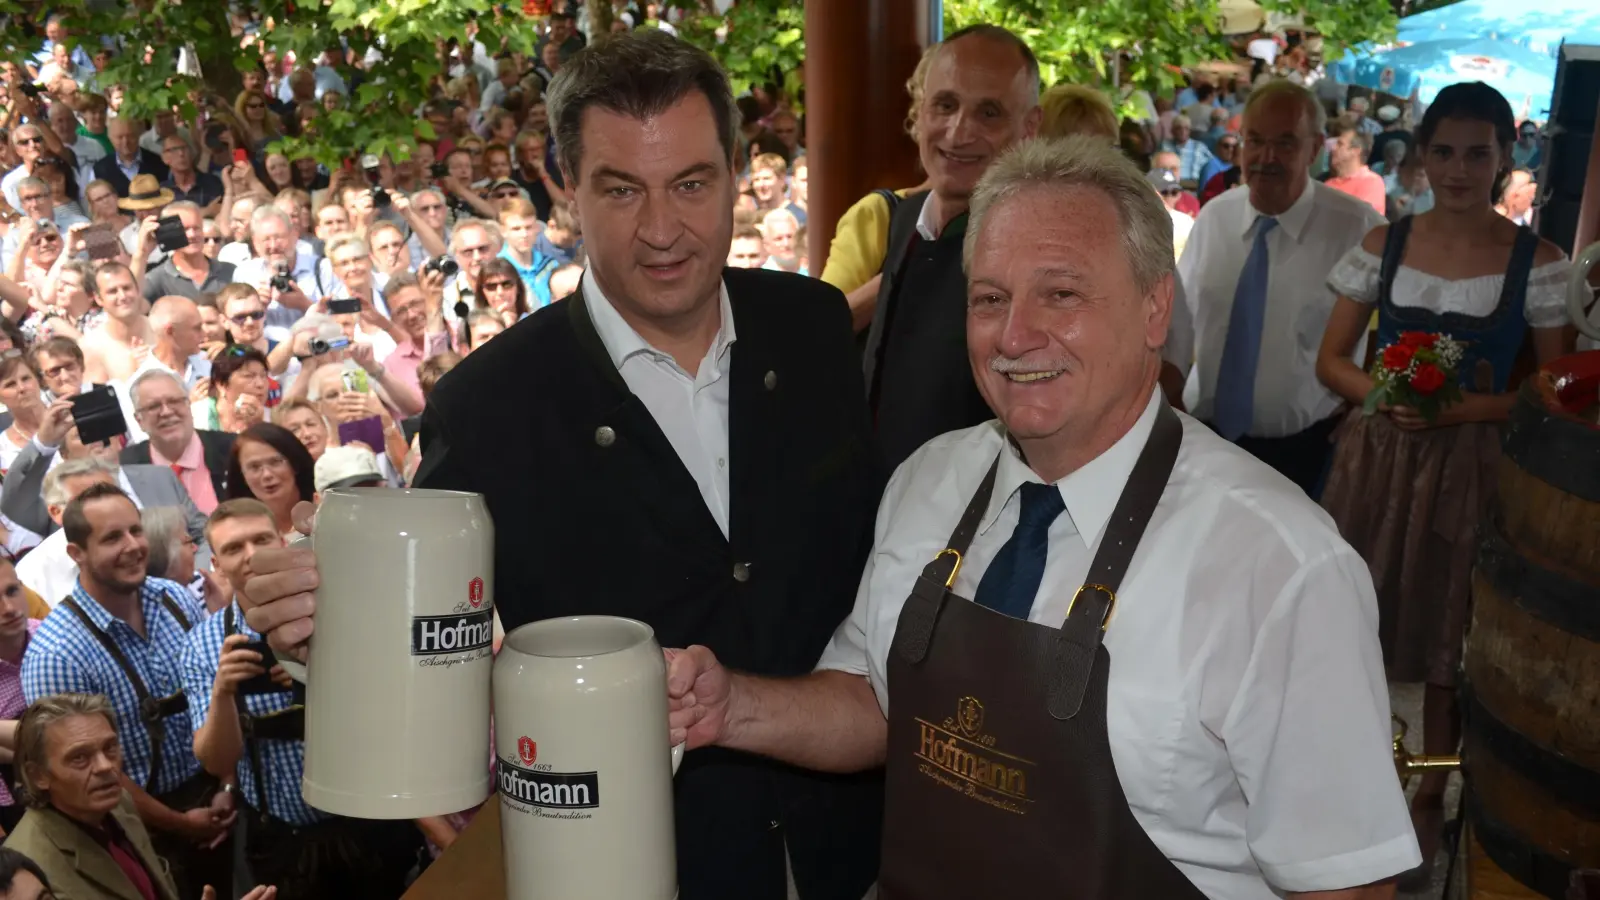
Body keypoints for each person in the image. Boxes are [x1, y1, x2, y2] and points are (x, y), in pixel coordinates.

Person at [667, 135, 1419, 899]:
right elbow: (875, 698)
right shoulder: (930, 480)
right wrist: (732, 709)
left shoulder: (1279, 566)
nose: (1014, 335)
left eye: (1061, 293)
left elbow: (1345, 887)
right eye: (990, 298)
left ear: (1156, 308)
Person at [242, 30, 885, 900]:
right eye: (622, 190)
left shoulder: (812, 329)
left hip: (861, 851)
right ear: (569, 192)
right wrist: (324, 632)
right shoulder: (489, 404)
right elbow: (427, 660)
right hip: (635, 870)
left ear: (737, 173)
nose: (662, 230)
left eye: (691, 184)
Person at [1315, 81, 1575, 882]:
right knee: (1351, 620)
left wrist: (1458, 409)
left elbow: (1554, 391)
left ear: (1506, 157)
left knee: (1444, 637)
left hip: (1475, 465)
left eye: (1478, 153)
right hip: (1378, 461)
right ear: (1422, 155)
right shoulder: (1381, 245)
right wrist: (1391, 397)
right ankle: (1338, 785)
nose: (1460, 169)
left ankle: (1427, 799)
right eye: (1446, 151)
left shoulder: (1539, 262)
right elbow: (1330, 363)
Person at [180, 499, 421, 899]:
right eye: (233, 548)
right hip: (283, 836)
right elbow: (216, 762)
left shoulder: (338, 610)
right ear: (217, 565)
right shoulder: (203, 646)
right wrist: (224, 691)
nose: (251, 555)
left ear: (282, 541)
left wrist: (317, 676)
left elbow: (393, 709)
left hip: (367, 814)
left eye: (260, 539)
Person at [20, 485, 233, 900]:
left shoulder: (174, 598)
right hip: (141, 832)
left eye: (135, 530)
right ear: (76, 554)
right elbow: (90, 770)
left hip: (217, 803)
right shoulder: (57, 653)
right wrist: (182, 823)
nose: (134, 546)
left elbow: (216, 696)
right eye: (112, 537)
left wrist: (227, 786)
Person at [1174, 79, 1386, 495]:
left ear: (1315, 148)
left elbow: (1389, 332)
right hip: (1205, 436)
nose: (1266, 158)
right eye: (1254, 140)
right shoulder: (1215, 218)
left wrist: (1363, 407)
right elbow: (1177, 320)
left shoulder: (1360, 230)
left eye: (1286, 143)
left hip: (1305, 453)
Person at [863, 25, 1043, 474]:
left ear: (1029, 128)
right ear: (920, 111)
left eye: (989, 112)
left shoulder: (1033, 246)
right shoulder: (905, 218)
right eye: (945, 105)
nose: (959, 132)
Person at [4, 693, 184, 900]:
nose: (105, 766)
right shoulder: (27, 868)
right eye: (79, 757)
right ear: (38, 775)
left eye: (110, 748)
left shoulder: (119, 803)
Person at [222, 424, 314, 539]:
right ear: (242, 476)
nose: (267, 474)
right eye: (254, 467)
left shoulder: (324, 511)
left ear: (295, 463)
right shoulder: (236, 533)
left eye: (275, 462)